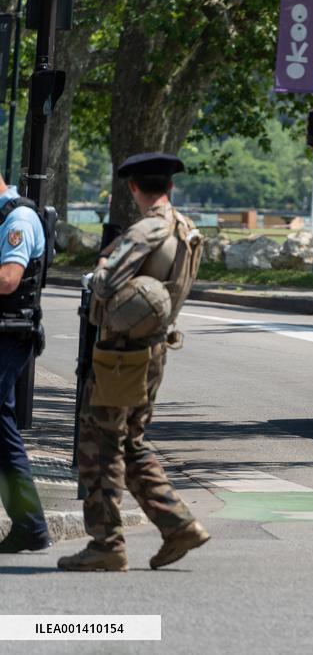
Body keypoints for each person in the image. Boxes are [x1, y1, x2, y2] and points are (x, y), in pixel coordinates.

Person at [58, 153, 209, 572]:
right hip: (154, 349)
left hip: (122, 354)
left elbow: (105, 285)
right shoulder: (184, 228)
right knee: (129, 442)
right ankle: (178, 525)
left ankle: (106, 544)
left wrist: (105, 259)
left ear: (132, 188)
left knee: (98, 446)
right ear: (170, 186)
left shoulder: (146, 230)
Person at [0, 176, 51, 554]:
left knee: (2, 431)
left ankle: (31, 525)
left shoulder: (17, 219)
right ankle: (28, 524)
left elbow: (7, 279)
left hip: (7, 335)